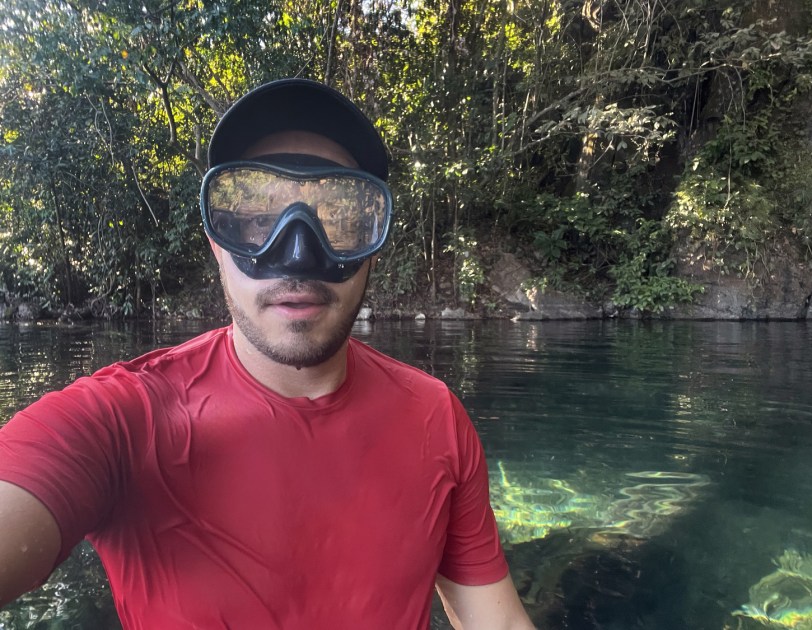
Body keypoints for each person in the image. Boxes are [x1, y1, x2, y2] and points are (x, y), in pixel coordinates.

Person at [0, 78, 536, 630]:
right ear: (216, 241)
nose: (299, 254)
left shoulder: (437, 418)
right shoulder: (121, 422)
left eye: (337, 217)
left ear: (373, 247)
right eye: (258, 218)